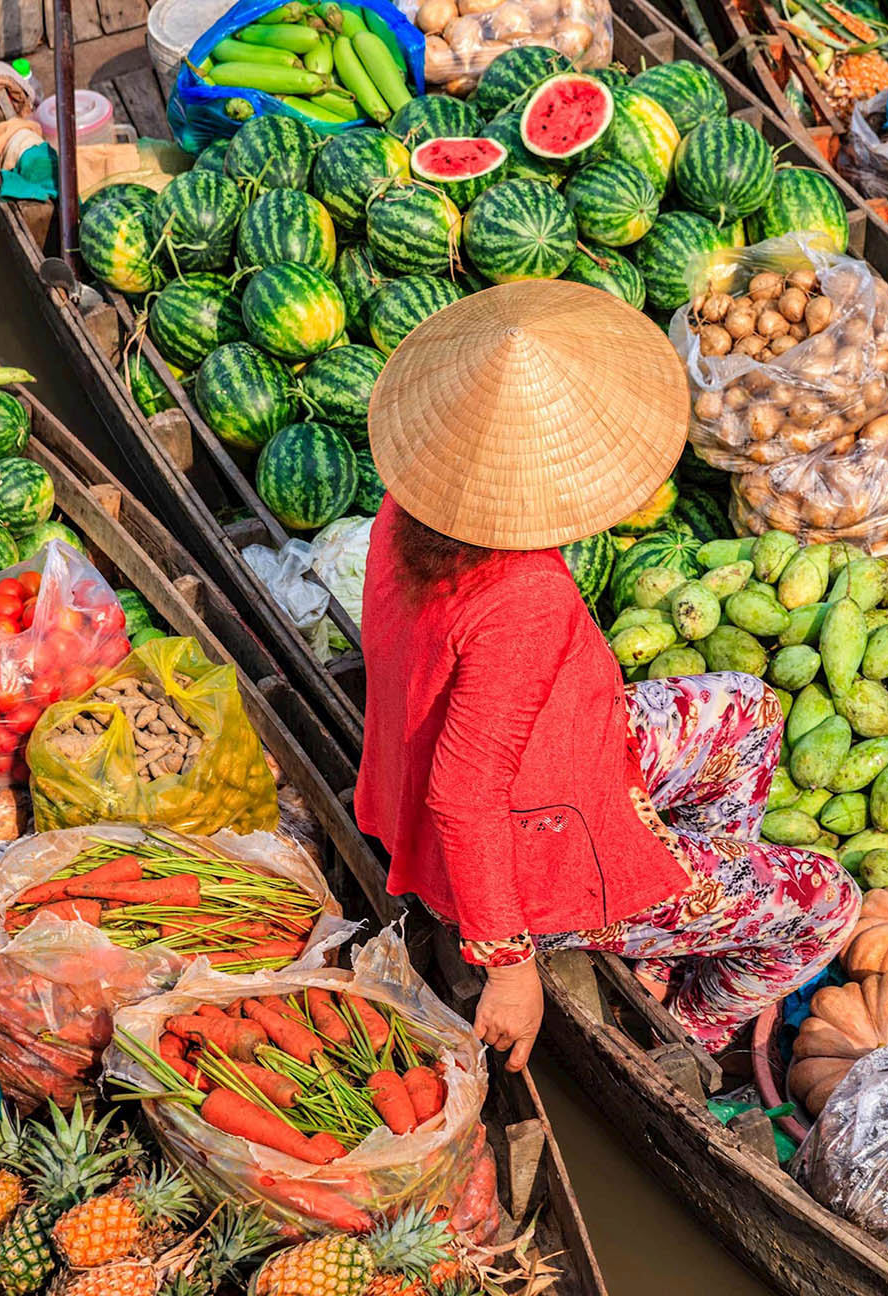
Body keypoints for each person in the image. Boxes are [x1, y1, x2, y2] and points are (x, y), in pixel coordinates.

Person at [356, 281, 861, 1072]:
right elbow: (463, 795)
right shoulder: (524, 596)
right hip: (527, 860)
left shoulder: (411, 503)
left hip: (546, 763)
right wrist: (510, 969)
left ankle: (666, 940)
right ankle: (688, 1028)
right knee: (828, 902)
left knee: (751, 709)